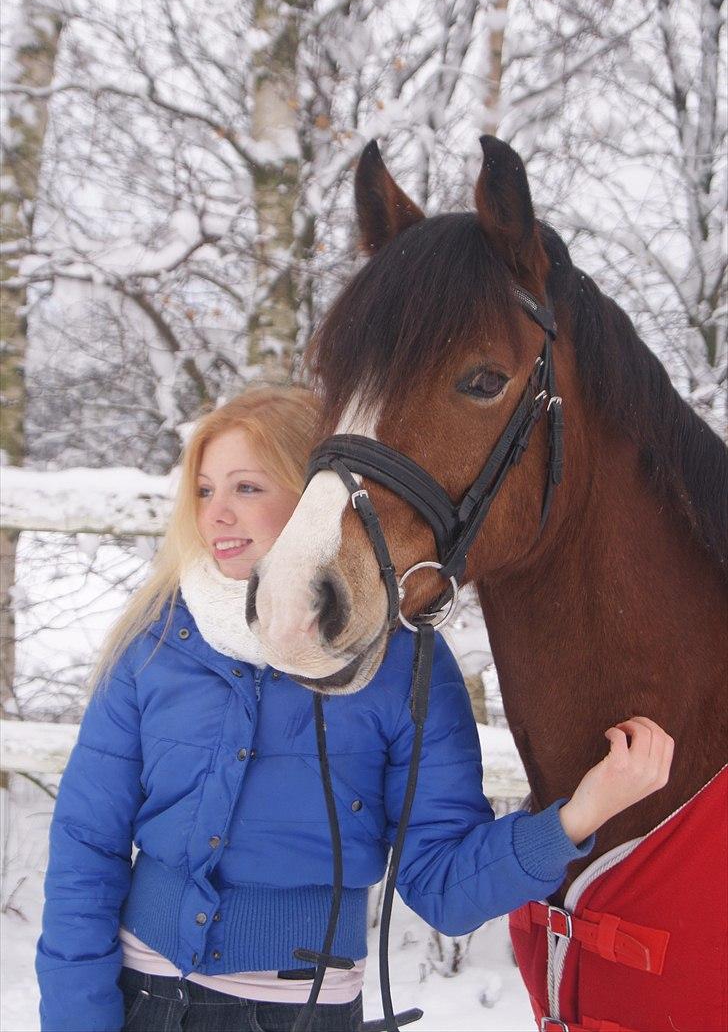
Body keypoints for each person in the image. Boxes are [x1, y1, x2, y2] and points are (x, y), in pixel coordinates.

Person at [36, 384, 674, 1032]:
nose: (217, 513)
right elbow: (87, 846)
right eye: (203, 490)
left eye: (247, 487)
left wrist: (575, 818)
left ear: (318, 495)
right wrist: (75, 1017)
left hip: (298, 1013)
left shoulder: (403, 661)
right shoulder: (157, 636)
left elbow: (444, 886)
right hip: (139, 1000)